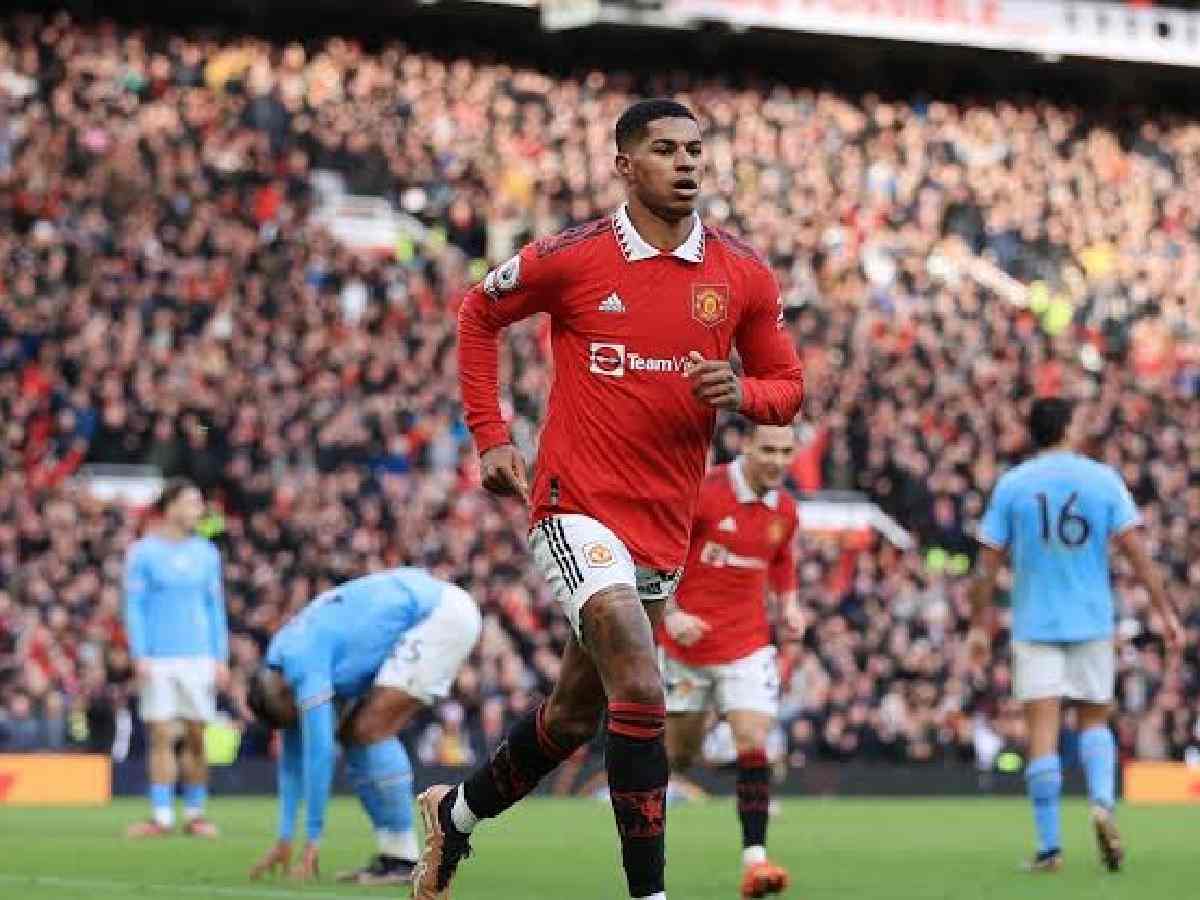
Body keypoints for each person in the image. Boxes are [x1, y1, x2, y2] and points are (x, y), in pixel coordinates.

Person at [414, 98, 805, 900]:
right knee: (640, 681)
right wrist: (490, 435)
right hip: (573, 505)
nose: (687, 162)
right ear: (625, 166)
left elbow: (788, 387)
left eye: (695, 148)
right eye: (665, 150)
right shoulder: (575, 257)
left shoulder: (741, 274)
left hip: (663, 528)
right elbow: (479, 311)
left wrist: (745, 392)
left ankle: (452, 818)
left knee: (570, 717)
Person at [968, 398, 1183, 873]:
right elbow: (1136, 554)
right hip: (1090, 621)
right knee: (1094, 723)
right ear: (1067, 428)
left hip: (1035, 624)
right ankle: (1103, 804)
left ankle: (1050, 850)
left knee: (1042, 737)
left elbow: (986, 567)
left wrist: (978, 626)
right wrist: (1165, 611)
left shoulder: (1013, 485)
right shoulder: (1102, 480)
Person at [245, 568, 482, 885]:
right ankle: (393, 855)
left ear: (290, 693)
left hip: (439, 615)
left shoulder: (304, 665)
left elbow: (319, 755)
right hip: (421, 601)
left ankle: (404, 859)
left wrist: (313, 838)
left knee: (370, 729)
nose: (298, 723)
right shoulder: (280, 658)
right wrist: (285, 837)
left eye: (295, 716)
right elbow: (291, 755)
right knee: (355, 734)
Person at [658, 423, 806, 899]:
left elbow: (781, 560)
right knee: (679, 755)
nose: (778, 461)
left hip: (748, 645)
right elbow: (660, 558)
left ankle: (756, 862)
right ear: (746, 446)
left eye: (786, 451)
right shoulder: (703, 494)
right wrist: (673, 615)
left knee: (752, 738)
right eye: (768, 449)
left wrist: (789, 605)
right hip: (686, 649)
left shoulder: (784, 508)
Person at [123, 479, 228, 838]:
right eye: (192, 502)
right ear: (170, 508)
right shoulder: (142, 553)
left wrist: (220, 657)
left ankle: (196, 814)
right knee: (162, 735)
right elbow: (133, 607)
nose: (198, 509)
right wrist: (140, 653)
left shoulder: (208, 554)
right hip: (159, 659)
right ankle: (162, 816)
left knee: (197, 737)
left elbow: (216, 609)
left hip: (199, 656)